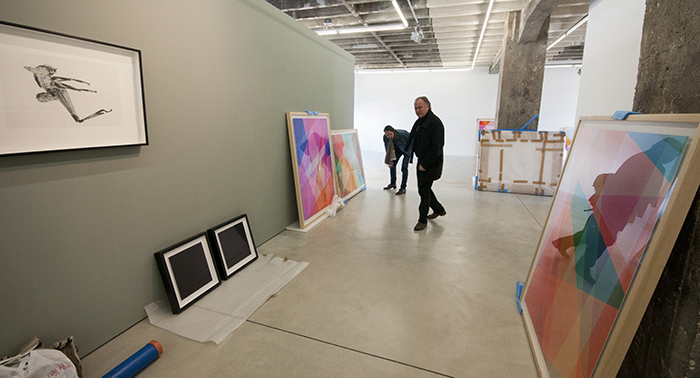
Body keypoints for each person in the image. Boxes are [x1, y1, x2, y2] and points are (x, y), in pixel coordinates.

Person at [407, 96, 446, 231]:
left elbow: (437, 147)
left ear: (428, 106)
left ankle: (422, 220)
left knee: (423, 191)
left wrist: (425, 164)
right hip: (421, 161)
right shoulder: (420, 122)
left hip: (430, 163)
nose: (417, 110)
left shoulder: (435, 123)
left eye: (420, 107)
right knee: (424, 189)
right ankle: (439, 209)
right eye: (415, 108)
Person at [383, 125, 412, 195]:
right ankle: (393, 183)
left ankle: (403, 188)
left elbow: (412, 139)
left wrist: (412, 152)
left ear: (394, 132)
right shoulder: (385, 138)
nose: (389, 136)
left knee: (404, 168)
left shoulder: (403, 133)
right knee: (392, 165)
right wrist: (389, 159)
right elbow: (387, 148)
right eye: (387, 135)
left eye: (390, 134)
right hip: (397, 151)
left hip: (407, 150)